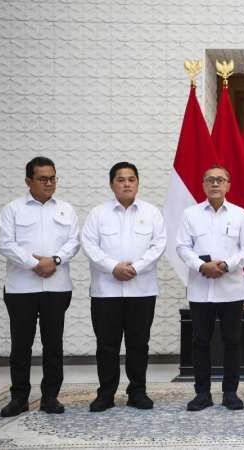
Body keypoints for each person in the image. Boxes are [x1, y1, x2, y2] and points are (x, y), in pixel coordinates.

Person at [0, 157, 80, 417]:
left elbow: (74, 242)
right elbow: (5, 243)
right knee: (20, 345)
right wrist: (35, 264)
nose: (49, 183)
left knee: (53, 344)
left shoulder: (66, 209)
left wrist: (53, 261)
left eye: (53, 178)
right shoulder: (12, 209)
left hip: (56, 287)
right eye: (43, 179)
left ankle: (50, 397)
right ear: (28, 181)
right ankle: (19, 397)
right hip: (21, 288)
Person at [81, 162, 166, 412]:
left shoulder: (151, 213)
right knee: (106, 344)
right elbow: (89, 245)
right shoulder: (98, 213)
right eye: (120, 179)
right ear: (111, 184)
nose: (126, 183)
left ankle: (137, 392)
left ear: (138, 183)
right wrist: (113, 267)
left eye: (131, 179)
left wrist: (135, 268)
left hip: (142, 290)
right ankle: (106, 393)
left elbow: (158, 245)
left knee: (139, 343)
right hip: (106, 290)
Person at [176, 165, 244, 411]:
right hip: (200, 290)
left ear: (228, 185)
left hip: (231, 290)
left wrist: (225, 265)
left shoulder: (240, 214)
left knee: (232, 341)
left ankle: (230, 392)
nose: (214, 184)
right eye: (209, 179)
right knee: (201, 341)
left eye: (220, 180)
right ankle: (202, 393)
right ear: (203, 184)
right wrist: (202, 266)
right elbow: (181, 246)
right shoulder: (190, 214)